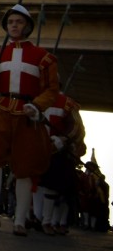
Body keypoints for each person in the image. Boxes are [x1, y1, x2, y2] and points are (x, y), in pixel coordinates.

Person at [0, 4, 59, 236]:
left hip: (26, 112)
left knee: (24, 165)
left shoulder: (44, 58)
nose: (14, 26)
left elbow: (51, 90)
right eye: (10, 22)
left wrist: (37, 106)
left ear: (27, 26)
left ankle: (20, 219)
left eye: (18, 22)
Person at [32, 89, 86, 235]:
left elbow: (76, 128)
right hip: (37, 147)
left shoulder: (67, 103)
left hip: (58, 152)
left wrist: (63, 139)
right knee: (36, 184)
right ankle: (38, 218)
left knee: (53, 187)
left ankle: (47, 221)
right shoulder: (34, 99)